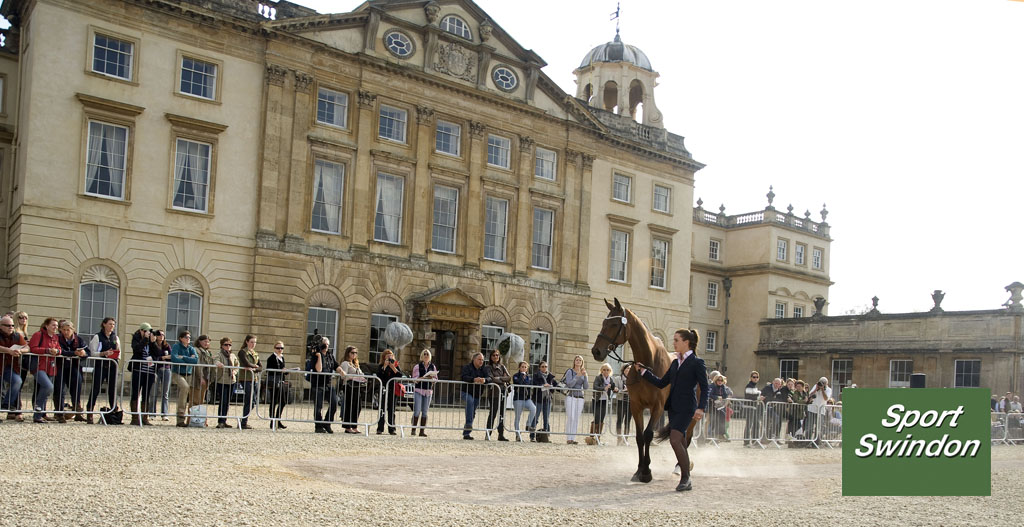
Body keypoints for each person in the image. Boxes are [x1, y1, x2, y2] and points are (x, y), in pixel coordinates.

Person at [636, 329, 709, 492]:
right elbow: (662, 383)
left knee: (675, 440)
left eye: (676, 340)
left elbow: (705, 388)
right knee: (681, 441)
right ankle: (686, 474)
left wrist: (701, 407)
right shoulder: (675, 363)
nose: (674, 343)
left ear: (686, 342)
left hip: (687, 408)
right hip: (674, 408)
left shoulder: (697, 363)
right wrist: (643, 372)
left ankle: (686, 478)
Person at [86, 317, 120, 424]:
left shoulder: (115, 337)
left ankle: (113, 411)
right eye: (110, 324)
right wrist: (103, 353)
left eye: (113, 324)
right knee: (95, 389)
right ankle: (90, 412)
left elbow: (118, 351)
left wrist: (116, 356)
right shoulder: (97, 337)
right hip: (100, 365)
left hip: (112, 365)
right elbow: (92, 352)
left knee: (112, 390)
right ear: (104, 324)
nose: (111, 326)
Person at [28, 318, 61, 423]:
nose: (55, 327)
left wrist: (57, 351)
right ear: (46, 326)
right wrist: (47, 351)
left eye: (56, 325)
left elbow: (59, 349)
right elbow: (32, 348)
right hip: (39, 366)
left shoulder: (55, 337)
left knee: (46, 391)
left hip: (51, 367)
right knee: (48, 386)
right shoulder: (38, 335)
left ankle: (39, 415)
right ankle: (38, 408)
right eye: (53, 325)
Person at [55, 320, 87, 423]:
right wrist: (73, 353)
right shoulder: (57, 338)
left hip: (75, 367)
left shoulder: (79, 339)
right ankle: (59, 412)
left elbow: (87, 351)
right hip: (60, 366)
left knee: (76, 388)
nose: (65, 332)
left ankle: (77, 411)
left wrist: (83, 353)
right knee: (60, 389)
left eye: (68, 330)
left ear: (73, 330)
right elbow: (60, 351)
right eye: (63, 330)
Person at [308, 336, 341, 433]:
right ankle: (318, 426)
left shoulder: (330, 355)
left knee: (334, 403)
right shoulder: (315, 355)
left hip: (328, 383)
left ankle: (327, 423)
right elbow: (319, 369)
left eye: (327, 345)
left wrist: (341, 371)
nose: (326, 347)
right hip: (318, 384)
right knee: (318, 406)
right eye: (324, 344)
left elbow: (336, 366)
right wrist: (319, 356)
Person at [129, 323, 157, 426]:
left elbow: (157, 353)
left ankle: (145, 417)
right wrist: (144, 340)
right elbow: (137, 349)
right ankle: (135, 417)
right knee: (136, 393)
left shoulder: (151, 342)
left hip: (149, 371)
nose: (148, 333)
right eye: (146, 331)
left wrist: (153, 343)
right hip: (138, 370)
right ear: (141, 331)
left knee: (146, 394)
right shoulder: (136, 339)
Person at [170, 330, 199, 427]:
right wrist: (188, 359)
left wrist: (183, 357)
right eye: (186, 337)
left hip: (188, 373)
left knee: (186, 395)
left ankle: (186, 419)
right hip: (177, 372)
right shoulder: (176, 346)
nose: (188, 339)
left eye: (189, 337)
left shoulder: (191, 348)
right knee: (185, 387)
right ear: (181, 338)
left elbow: (195, 360)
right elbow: (174, 358)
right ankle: (180, 418)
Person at [0, 315, 26, 422]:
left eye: (12, 325)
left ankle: (6, 404)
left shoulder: (17, 336)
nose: (11, 327)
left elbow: (27, 346)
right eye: (7, 325)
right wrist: (8, 350)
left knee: (17, 381)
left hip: (9, 366)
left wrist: (20, 351)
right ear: (1, 326)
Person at [483, 349, 511, 441]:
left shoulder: (502, 366)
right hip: (494, 393)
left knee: (502, 414)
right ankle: (488, 433)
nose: (496, 357)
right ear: (491, 357)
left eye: (497, 355)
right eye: (494, 355)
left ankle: (501, 434)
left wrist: (499, 378)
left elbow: (509, 377)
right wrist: (502, 379)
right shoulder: (488, 367)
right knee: (493, 413)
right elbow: (491, 378)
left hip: (503, 392)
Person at [410, 349, 438, 437]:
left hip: (428, 391)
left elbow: (436, 379)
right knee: (417, 410)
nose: (426, 356)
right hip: (419, 390)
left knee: (425, 411)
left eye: (427, 354)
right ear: (422, 356)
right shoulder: (417, 367)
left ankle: (422, 431)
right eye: (424, 354)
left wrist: (432, 379)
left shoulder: (433, 367)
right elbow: (414, 379)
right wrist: (422, 378)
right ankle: (413, 429)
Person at [562, 355, 589, 444]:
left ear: (582, 362)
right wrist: (577, 376)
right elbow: (570, 384)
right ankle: (568, 438)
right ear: (574, 361)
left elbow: (585, 387)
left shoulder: (584, 372)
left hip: (580, 398)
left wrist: (585, 377)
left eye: (580, 360)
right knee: (571, 417)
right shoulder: (570, 371)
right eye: (577, 360)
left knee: (576, 418)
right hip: (571, 396)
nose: (578, 361)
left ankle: (573, 438)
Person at [529, 360, 559, 442]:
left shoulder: (550, 376)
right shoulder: (536, 375)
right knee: (536, 418)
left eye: (546, 366)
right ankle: (532, 436)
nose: (544, 368)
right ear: (539, 368)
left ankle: (546, 437)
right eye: (542, 366)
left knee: (546, 418)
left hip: (547, 399)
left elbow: (556, 385)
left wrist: (552, 386)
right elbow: (534, 384)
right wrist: (543, 386)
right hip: (538, 399)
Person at [237, 335, 262, 430]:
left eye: (255, 342)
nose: (253, 344)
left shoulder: (255, 353)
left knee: (253, 401)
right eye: (251, 342)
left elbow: (260, 367)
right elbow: (246, 363)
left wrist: (253, 368)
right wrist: (255, 366)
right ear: (247, 342)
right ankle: (244, 421)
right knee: (249, 400)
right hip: (246, 379)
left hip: (254, 378)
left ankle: (244, 419)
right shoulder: (242, 352)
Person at [460, 351, 487, 440]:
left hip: (477, 394)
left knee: (472, 412)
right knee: (470, 403)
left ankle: (466, 432)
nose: (481, 361)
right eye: (479, 359)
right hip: (466, 392)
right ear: (474, 359)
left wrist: (485, 380)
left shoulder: (484, 369)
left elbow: (489, 377)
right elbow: (464, 377)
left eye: (482, 360)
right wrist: (473, 379)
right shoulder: (467, 367)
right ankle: (468, 429)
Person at [375, 348, 403, 435]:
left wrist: (393, 367)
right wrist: (385, 366)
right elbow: (379, 375)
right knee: (382, 409)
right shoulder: (381, 366)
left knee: (392, 409)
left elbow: (400, 375)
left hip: (392, 389)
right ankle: (380, 428)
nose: (390, 358)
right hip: (383, 389)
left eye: (391, 356)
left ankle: (392, 428)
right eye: (388, 357)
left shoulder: (395, 365)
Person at [339, 346, 365, 434]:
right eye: (352, 353)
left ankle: (354, 425)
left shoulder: (355, 363)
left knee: (357, 406)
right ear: (348, 353)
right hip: (349, 386)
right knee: (349, 406)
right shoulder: (345, 363)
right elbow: (343, 375)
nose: (354, 354)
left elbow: (361, 373)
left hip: (356, 387)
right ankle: (347, 426)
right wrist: (353, 377)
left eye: (355, 353)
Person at [588, 362, 616, 445]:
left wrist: (616, 388)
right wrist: (604, 388)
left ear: (610, 371)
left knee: (602, 418)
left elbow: (613, 386)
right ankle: (592, 437)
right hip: (597, 400)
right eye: (604, 370)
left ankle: (598, 437)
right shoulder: (598, 377)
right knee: (596, 417)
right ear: (601, 370)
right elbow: (595, 387)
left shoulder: (610, 379)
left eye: (607, 370)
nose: (606, 371)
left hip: (605, 400)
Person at [214, 337, 239, 428]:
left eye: (229, 344)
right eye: (226, 344)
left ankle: (224, 420)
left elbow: (237, 365)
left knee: (228, 401)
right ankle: (220, 421)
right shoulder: (219, 354)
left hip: (231, 380)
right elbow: (215, 360)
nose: (228, 346)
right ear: (222, 345)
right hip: (222, 380)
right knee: (223, 400)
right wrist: (218, 363)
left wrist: (234, 372)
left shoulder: (232, 355)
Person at [190, 335, 215, 426]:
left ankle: (200, 420)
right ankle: (191, 419)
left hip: (206, 378)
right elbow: (197, 364)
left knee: (201, 401)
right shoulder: (196, 350)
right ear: (199, 341)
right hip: (197, 379)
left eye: (208, 342)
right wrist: (200, 377)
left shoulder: (208, 352)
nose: (206, 343)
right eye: (204, 341)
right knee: (194, 401)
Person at [148, 329, 173, 421]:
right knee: (153, 392)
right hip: (156, 369)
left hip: (166, 369)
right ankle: (152, 413)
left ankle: (164, 413)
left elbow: (172, 356)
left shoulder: (167, 346)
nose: (161, 336)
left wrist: (163, 357)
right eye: (159, 334)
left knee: (165, 393)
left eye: (163, 334)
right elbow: (153, 356)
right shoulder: (152, 345)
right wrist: (161, 358)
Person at [265, 340, 290, 430]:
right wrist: (280, 370)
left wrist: (285, 371)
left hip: (281, 382)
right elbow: (269, 370)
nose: (280, 350)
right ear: (274, 348)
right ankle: (272, 421)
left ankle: (278, 420)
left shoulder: (282, 358)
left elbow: (282, 370)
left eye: (281, 348)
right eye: (278, 348)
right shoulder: (271, 358)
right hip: (274, 382)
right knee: (273, 401)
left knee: (283, 401)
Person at [511, 361, 537, 442]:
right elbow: (519, 382)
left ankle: (528, 424)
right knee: (518, 417)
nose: (524, 368)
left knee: (533, 408)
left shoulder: (529, 377)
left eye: (525, 367)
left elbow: (529, 384)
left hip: (527, 398)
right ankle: (517, 435)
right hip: (518, 398)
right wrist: (522, 376)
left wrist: (525, 378)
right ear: (519, 367)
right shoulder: (516, 375)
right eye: (522, 366)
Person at [806, 376, 832, 443]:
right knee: (810, 426)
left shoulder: (829, 389)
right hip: (812, 409)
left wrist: (823, 390)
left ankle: (817, 442)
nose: (822, 384)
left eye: (824, 383)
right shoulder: (816, 386)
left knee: (819, 427)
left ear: (827, 383)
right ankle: (808, 441)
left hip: (821, 410)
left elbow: (826, 398)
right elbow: (810, 395)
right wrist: (816, 389)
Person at [613, 364, 632, 445]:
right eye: (627, 368)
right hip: (621, 400)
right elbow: (615, 388)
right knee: (620, 419)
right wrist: (621, 390)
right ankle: (619, 438)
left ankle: (625, 439)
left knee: (628, 420)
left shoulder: (633, 379)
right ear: (623, 369)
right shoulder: (617, 378)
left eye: (629, 368)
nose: (628, 370)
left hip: (630, 402)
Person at [707, 374, 730, 440]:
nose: (720, 381)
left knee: (722, 416)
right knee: (712, 421)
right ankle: (709, 436)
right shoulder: (712, 386)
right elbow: (709, 394)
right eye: (718, 380)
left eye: (721, 380)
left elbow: (725, 396)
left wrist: (723, 386)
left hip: (719, 406)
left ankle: (720, 434)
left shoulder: (722, 387)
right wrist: (716, 397)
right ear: (715, 380)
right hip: (711, 406)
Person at [742, 371, 761, 447]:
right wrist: (758, 397)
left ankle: (755, 440)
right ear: (750, 378)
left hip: (755, 407)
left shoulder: (755, 387)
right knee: (749, 424)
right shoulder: (749, 386)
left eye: (757, 377)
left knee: (756, 424)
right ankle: (746, 442)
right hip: (749, 407)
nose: (755, 378)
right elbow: (749, 397)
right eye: (754, 377)